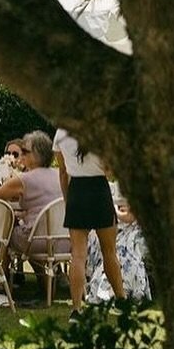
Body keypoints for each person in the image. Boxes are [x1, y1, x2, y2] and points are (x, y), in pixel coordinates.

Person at [53, 125, 124, 307]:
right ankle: (122, 301)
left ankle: (76, 308)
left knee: (78, 255)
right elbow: (111, 170)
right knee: (109, 253)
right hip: (99, 190)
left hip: (77, 190)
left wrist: (68, 199)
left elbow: (62, 173)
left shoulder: (61, 133)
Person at [0, 129, 61, 295]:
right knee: (31, 229)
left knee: (5, 230)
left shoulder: (25, 179)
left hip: (36, 241)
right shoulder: (59, 175)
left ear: (36, 155)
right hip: (63, 241)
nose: (21, 156)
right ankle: (46, 282)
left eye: (25, 152)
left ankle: (2, 278)